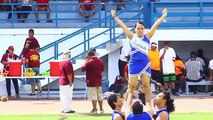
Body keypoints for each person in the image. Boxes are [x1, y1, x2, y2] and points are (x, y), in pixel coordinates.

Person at [111, 8, 167, 102]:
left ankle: (150, 106)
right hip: (134, 64)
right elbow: (123, 26)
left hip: (145, 63)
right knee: (131, 87)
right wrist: (115, 16)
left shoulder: (147, 36)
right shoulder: (131, 37)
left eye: (142, 28)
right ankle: (126, 106)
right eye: (138, 28)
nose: (140, 30)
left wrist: (163, 16)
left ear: (144, 29)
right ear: (135, 29)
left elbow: (155, 25)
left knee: (146, 86)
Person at [82, 49, 104, 113]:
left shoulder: (89, 62)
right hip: (99, 81)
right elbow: (102, 70)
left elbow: (83, 69)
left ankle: (94, 109)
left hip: (91, 81)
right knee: (99, 95)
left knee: (93, 95)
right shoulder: (100, 61)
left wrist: (85, 61)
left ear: (89, 56)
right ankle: (101, 109)